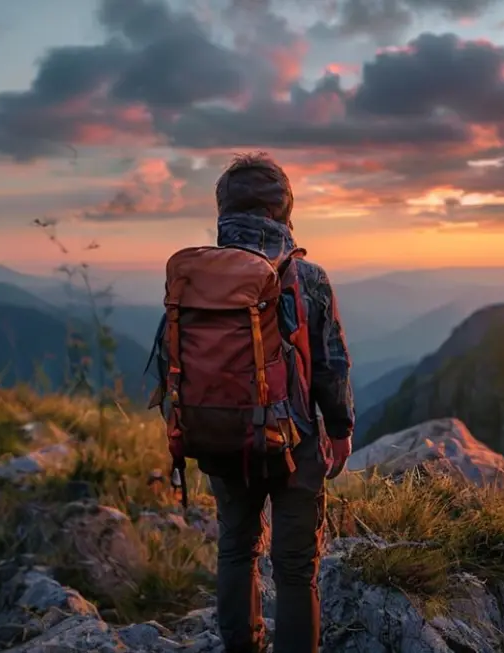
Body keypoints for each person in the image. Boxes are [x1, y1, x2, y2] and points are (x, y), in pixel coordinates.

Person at [149, 153, 355, 653]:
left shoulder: (194, 276)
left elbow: (170, 359)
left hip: (222, 432)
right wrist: (340, 430)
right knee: (294, 568)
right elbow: (331, 363)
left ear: (224, 209)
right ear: (284, 209)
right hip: (296, 444)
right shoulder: (307, 277)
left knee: (236, 549)